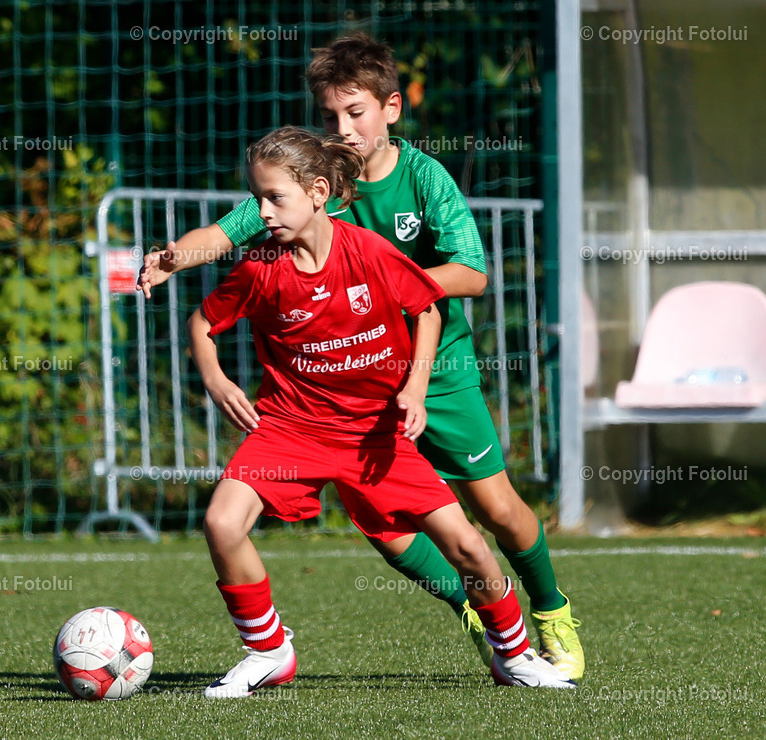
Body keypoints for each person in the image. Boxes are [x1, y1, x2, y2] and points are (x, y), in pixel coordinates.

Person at [143, 34, 584, 682]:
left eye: (355, 112)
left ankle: (548, 611)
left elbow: (471, 274)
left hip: (434, 370)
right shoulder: (299, 191)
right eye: (329, 116)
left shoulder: (423, 178)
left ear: (392, 110)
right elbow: (221, 234)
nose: (342, 128)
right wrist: (177, 256)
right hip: (340, 390)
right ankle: (472, 607)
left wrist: (391, 283)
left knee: (493, 511)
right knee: (383, 525)